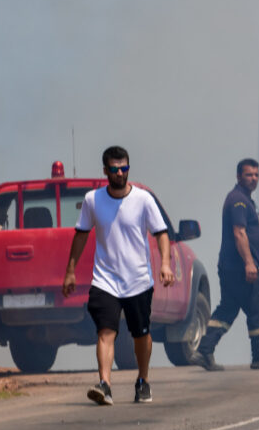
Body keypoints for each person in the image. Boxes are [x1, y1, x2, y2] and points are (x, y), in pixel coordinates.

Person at [62, 146, 175, 406]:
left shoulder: (144, 199)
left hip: (138, 280)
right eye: (115, 169)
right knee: (105, 332)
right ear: (105, 171)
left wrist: (165, 264)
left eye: (124, 168)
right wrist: (70, 272)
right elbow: (81, 235)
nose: (120, 173)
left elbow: (161, 233)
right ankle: (105, 384)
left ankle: (143, 381)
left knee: (141, 335)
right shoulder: (93, 200)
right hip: (105, 280)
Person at [189, 158, 259, 371]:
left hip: (231, 267)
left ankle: (205, 349)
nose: (254, 179)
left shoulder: (243, 199)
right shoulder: (238, 200)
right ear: (239, 176)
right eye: (249, 175)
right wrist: (249, 264)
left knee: (228, 309)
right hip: (240, 267)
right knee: (257, 310)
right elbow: (239, 232)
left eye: (256, 175)